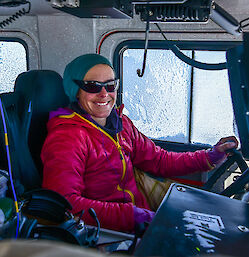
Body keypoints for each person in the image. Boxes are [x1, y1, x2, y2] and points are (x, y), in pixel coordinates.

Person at [41, 54, 238, 233]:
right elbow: (64, 202)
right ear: (75, 90)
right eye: (92, 86)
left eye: (110, 86)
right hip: (106, 230)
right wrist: (133, 217)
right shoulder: (68, 137)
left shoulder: (120, 123)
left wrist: (210, 156)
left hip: (141, 217)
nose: (104, 94)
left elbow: (159, 160)